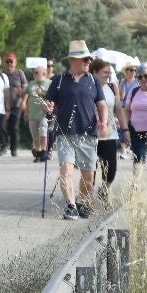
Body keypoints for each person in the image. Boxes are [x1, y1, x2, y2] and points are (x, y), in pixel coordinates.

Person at [45, 40, 110, 220]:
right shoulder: (58, 81)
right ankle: (71, 206)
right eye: (85, 60)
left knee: (88, 175)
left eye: (89, 60)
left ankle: (82, 201)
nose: (89, 63)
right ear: (73, 60)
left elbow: (102, 104)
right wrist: (48, 109)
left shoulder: (93, 81)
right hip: (65, 133)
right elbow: (49, 105)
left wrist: (103, 121)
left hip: (88, 134)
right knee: (66, 169)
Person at [90, 59, 120, 207]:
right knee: (91, 169)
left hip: (110, 134)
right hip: (91, 134)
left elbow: (119, 109)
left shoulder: (112, 87)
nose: (108, 75)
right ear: (94, 72)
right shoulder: (87, 87)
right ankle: (88, 198)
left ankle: (104, 189)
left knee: (111, 169)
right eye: (105, 72)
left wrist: (125, 130)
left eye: (109, 72)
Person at [2, 53, 28, 157]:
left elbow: (26, 89)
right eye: (7, 62)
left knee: (14, 127)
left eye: (11, 61)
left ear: (15, 62)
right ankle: (3, 147)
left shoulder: (20, 73)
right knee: (3, 127)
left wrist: (23, 100)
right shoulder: (2, 74)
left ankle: (14, 148)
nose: (9, 64)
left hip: (17, 104)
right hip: (3, 105)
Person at [26, 65, 52, 162]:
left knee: (43, 132)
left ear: (44, 74)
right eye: (34, 72)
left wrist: (42, 93)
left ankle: (44, 151)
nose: (35, 74)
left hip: (44, 114)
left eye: (37, 72)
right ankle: (38, 153)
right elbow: (26, 95)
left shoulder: (49, 83)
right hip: (32, 114)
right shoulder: (31, 83)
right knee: (35, 136)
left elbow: (53, 96)